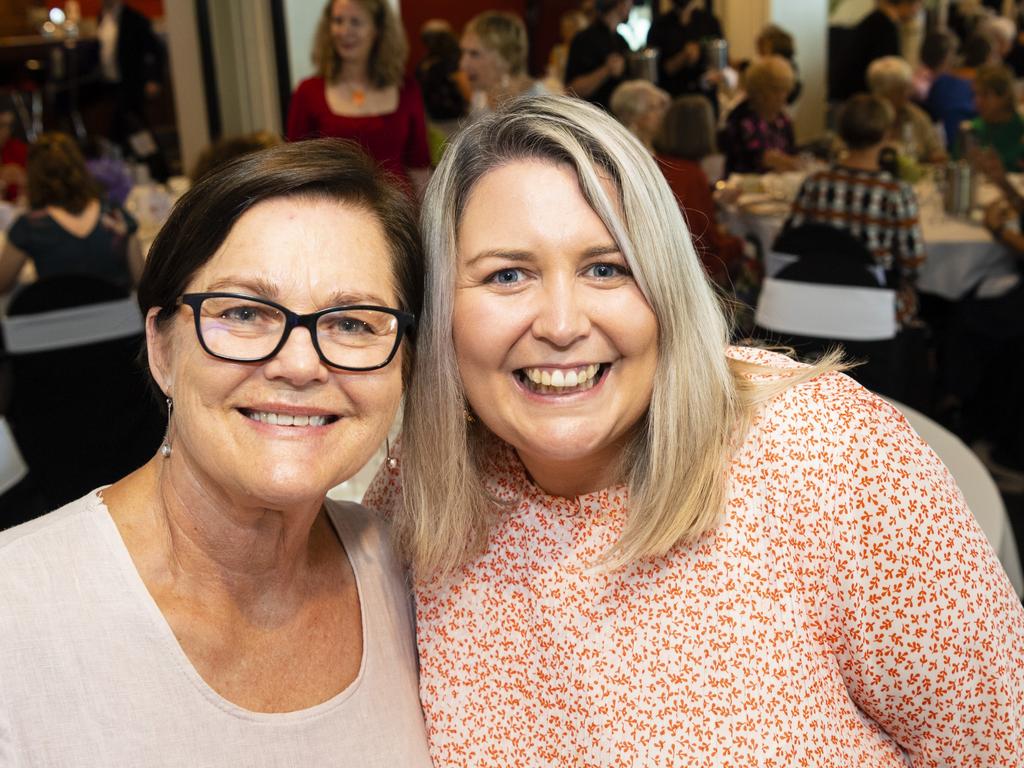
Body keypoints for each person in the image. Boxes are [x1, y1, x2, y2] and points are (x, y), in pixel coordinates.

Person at [365, 93, 1024, 766]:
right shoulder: (420, 493)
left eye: (606, 268)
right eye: (508, 274)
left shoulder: (825, 458)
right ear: (441, 311)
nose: (561, 324)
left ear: (668, 286)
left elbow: (999, 741)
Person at [0, 139, 433, 765]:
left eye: (353, 322)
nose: (299, 363)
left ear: (405, 366)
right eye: (244, 312)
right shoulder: (18, 613)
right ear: (163, 349)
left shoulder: (418, 582)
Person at [787, 94, 924, 327]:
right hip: (874, 305)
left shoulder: (814, 183)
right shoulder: (896, 192)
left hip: (816, 297)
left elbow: (789, 242)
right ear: (886, 135)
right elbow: (913, 262)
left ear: (841, 132)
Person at [287, 0, 430, 196]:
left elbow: (419, 168)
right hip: (333, 211)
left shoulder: (407, 89)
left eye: (355, 22)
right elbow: (295, 166)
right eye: (338, 21)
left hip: (397, 214)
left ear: (377, 30)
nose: (344, 31)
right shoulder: (308, 92)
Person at [0, 132, 143, 293]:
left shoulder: (29, 226)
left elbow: (2, 283)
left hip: (59, 316)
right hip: (118, 316)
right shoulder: (116, 215)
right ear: (81, 167)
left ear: (34, 177)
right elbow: (141, 281)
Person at [652, 94, 744, 286]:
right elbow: (707, 241)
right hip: (685, 265)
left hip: (658, 258)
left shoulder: (653, 163)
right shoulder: (692, 175)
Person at [720, 55, 799, 175]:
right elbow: (738, 158)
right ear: (760, 90)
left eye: (785, 90)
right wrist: (764, 158)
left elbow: (792, 154)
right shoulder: (740, 117)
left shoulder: (783, 120)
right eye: (777, 90)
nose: (783, 97)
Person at [460, 11, 548, 116]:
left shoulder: (538, 107)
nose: (463, 65)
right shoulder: (480, 96)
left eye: (474, 54)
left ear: (506, 58)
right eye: (463, 52)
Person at [834, 0, 924, 100]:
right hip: (861, 103)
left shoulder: (874, 21)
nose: (917, 11)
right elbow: (891, 78)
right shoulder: (885, 29)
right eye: (918, 4)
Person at [867, 56, 947, 164]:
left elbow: (938, 154)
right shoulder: (865, 116)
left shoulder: (916, 116)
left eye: (906, 89)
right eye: (899, 91)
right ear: (881, 93)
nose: (907, 94)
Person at [645, 0, 723, 101]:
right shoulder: (658, 26)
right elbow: (655, 72)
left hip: (705, 98)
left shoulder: (710, 22)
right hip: (673, 99)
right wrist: (683, 57)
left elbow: (720, 64)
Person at [564, 0, 632, 110]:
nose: (631, 6)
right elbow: (572, 89)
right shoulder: (584, 39)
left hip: (619, 118)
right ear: (620, 3)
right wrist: (606, 70)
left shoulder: (622, 42)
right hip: (592, 117)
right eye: (630, 2)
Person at [966, 63, 1024, 170]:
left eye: (985, 95)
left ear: (1004, 96)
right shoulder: (972, 130)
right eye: (975, 94)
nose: (977, 101)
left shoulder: (1020, 129)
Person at [609, 79, 669, 152]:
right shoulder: (625, 150)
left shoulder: (663, 146)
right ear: (633, 115)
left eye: (660, 107)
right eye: (652, 108)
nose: (661, 114)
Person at [0, 108, 27, 203]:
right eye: (1, 125)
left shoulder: (18, 148)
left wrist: (24, 178)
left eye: (10, 126)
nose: (6, 131)